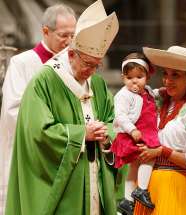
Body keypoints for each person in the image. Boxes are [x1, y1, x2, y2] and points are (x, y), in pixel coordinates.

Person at [5, 1, 126, 214]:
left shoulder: (97, 83)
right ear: (72, 55)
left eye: (96, 65)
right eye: (87, 64)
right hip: (64, 184)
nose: (92, 71)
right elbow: (37, 131)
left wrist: (107, 135)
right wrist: (81, 134)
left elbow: (114, 121)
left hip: (94, 176)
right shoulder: (44, 81)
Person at [0, 4, 76, 212]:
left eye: (73, 35)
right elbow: (13, 112)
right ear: (45, 31)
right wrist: (51, 132)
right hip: (34, 153)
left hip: (66, 153)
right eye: (63, 35)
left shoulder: (75, 67)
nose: (70, 42)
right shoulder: (22, 64)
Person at [133, 46, 186, 215]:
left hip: (177, 184)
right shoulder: (157, 100)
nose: (167, 80)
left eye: (175, 75)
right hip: (148, 184)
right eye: (165, 74)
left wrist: (161, 151)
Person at [111, 52, 160, 214]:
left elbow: (154, 95)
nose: (135, 81)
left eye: (139, 77)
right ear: (123, 78)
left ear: (147, 77)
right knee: (149, 157)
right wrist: (132, 129)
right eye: (130, 77)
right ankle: (142, 189)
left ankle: (127, 201)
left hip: (146, 131)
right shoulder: (124, 95)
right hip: (134, 134)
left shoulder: (147, 91)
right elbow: (120, 116)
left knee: (133, 168)